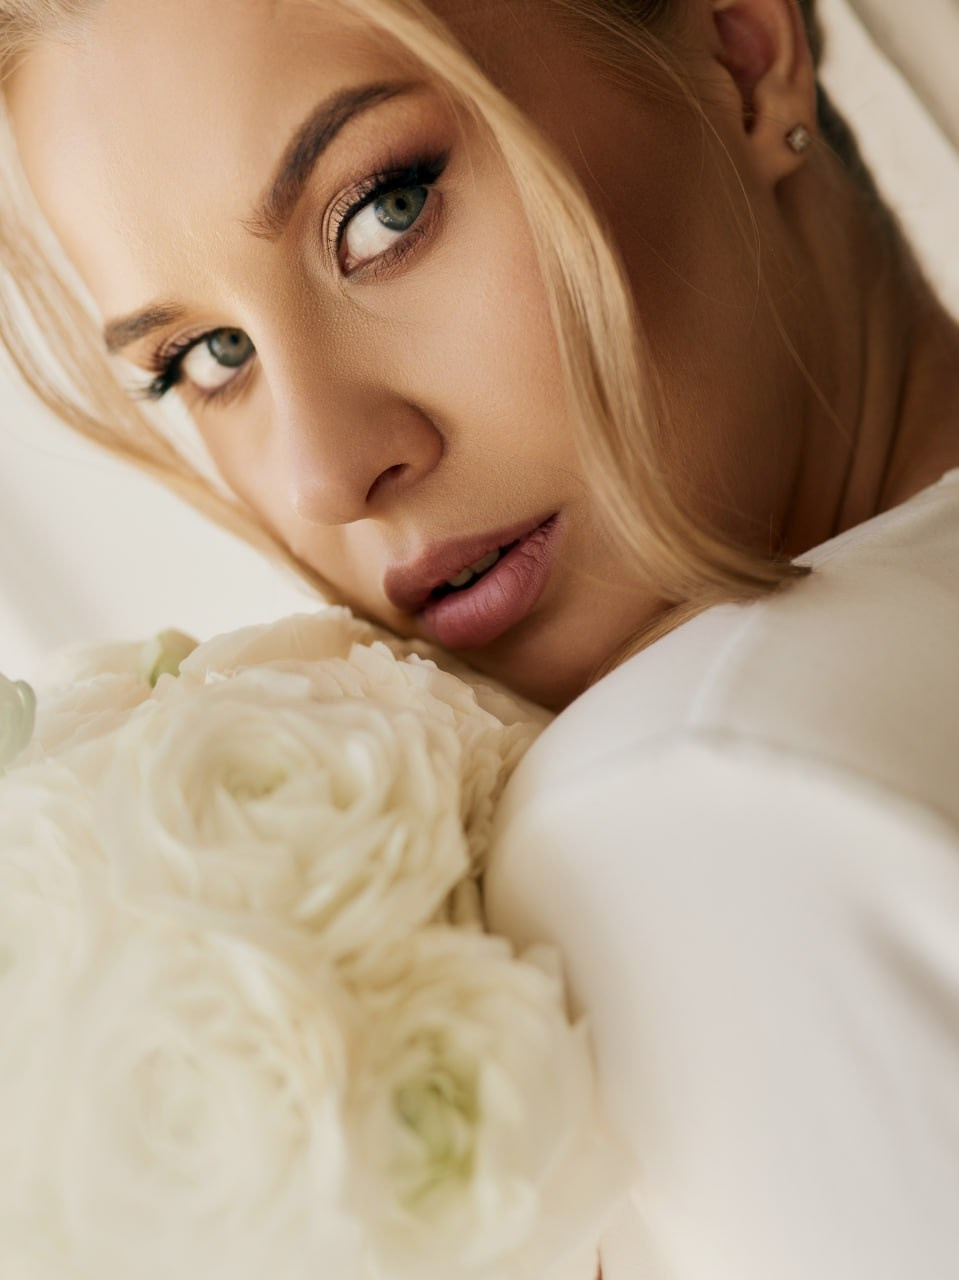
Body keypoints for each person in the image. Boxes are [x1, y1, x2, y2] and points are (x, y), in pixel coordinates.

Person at [1, 0, 958, 1275]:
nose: (325, 473)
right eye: (210, 356)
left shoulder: (685, 813)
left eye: (383, 211)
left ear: (738, 49)